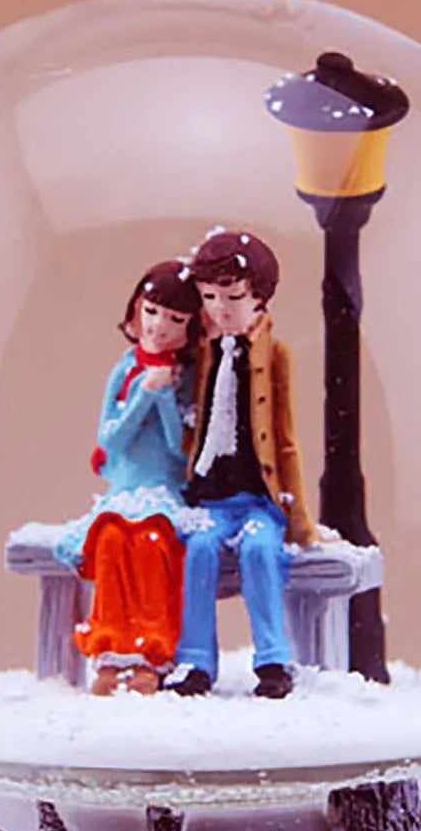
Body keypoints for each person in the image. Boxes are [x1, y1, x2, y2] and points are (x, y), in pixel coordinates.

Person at [169, 229, 317, 700]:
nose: (221, 309)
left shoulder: (274, 355)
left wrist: (300, 522)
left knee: (258, 550)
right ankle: (194, 661)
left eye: (233, 297)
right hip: (211, 498)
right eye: (209, 297)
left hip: (258, 500)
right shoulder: (203, 352)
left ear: (260, 298)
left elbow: (285, 440)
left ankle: (273, 659)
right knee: (200, 549)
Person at [56, 261, 201, 694]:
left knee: (153, 543)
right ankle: (110, 651)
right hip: (124, 490)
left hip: (165, 491)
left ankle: (151, 652)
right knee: (112, 541)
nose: (159, 326)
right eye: (151, 312)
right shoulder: (125, 371)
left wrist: (165, 395)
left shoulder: (189, 378)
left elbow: (179, 449)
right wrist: (144, 393)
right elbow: (111, 439)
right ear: (136, 311)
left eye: (175, 320)